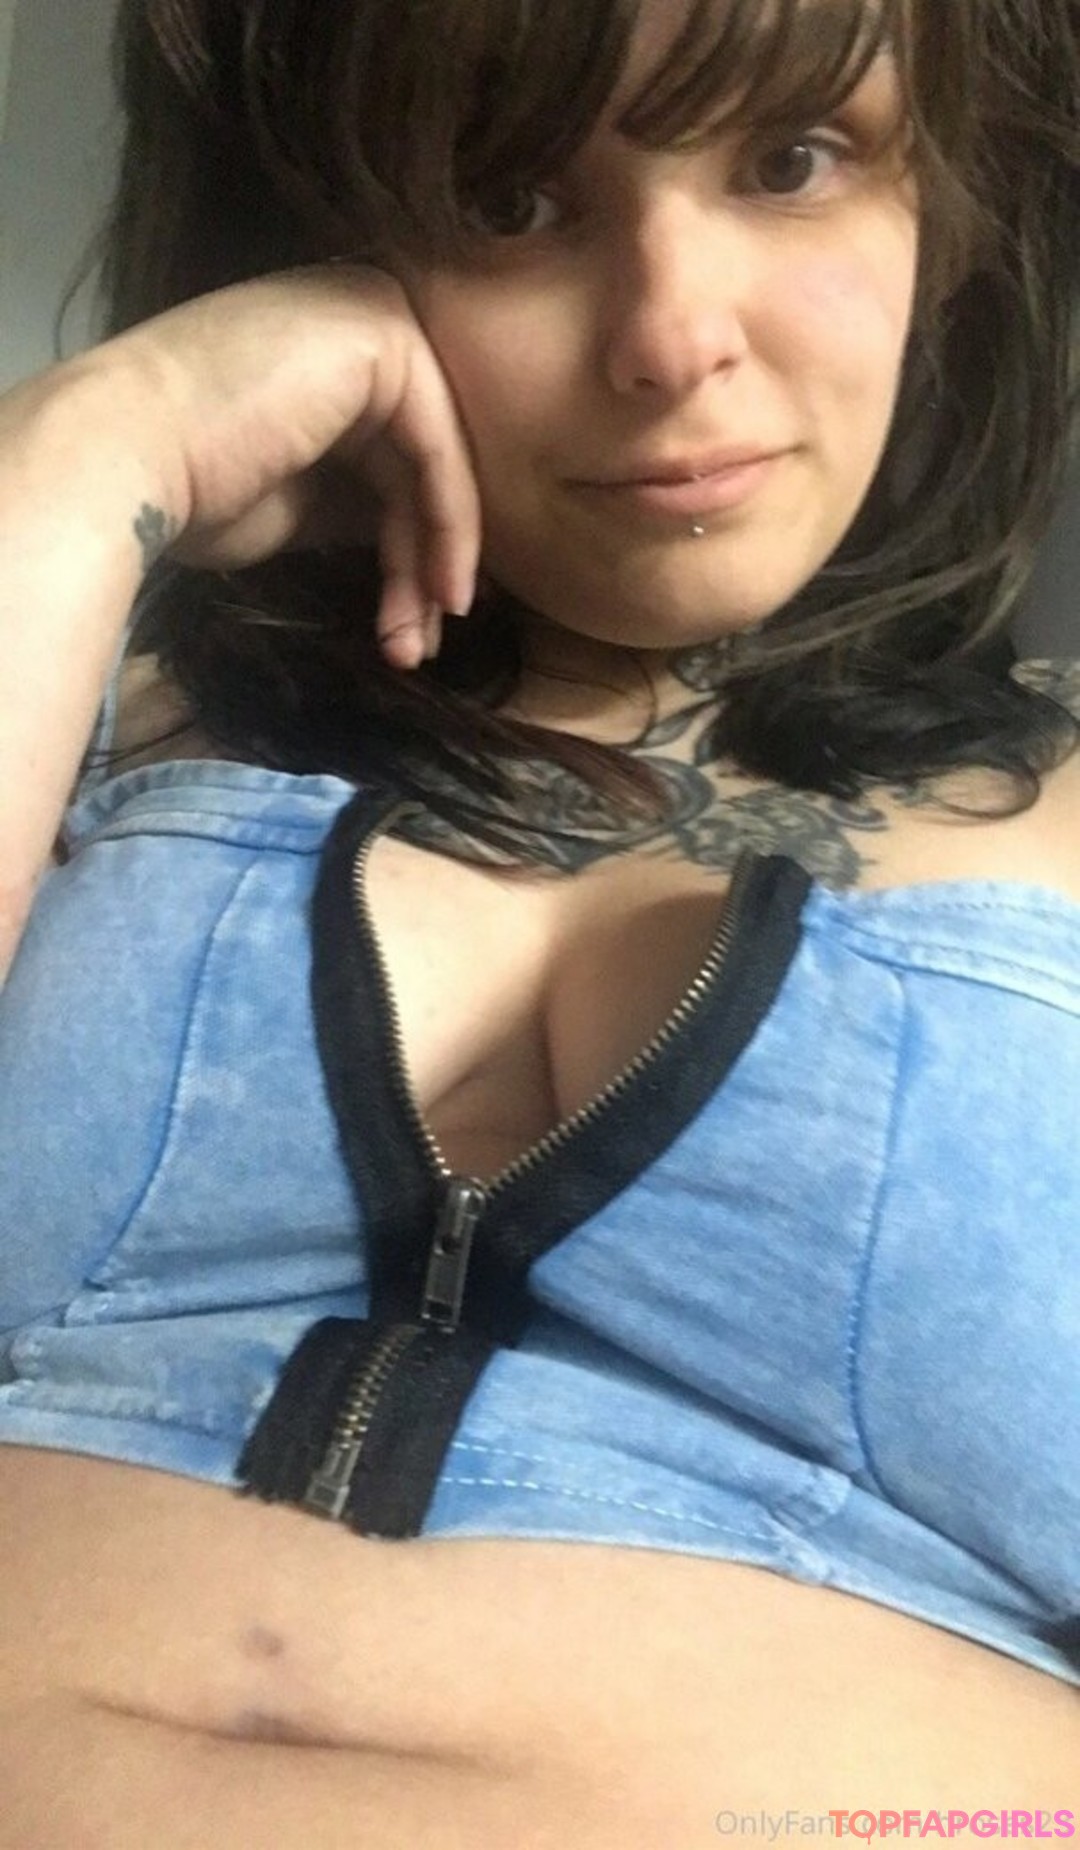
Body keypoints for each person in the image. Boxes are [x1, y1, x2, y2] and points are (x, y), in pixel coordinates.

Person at [1, 0, 1079, 1840]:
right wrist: (107, 435)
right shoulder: (83, 687)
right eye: (508, 199)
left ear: (947, 206)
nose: (669, 337)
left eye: (791, 159)